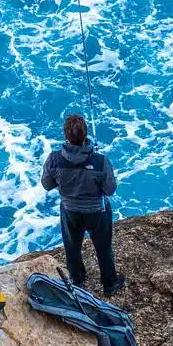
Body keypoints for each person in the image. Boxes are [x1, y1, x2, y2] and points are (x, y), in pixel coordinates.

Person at [41, 114, 126, 297]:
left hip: (70, 210)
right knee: (103, 247)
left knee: (72, 246)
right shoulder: (100, 161)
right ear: (85, 134)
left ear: (66, 136)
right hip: (97, 211)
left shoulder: (53, 159)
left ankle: (77, 281)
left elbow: (47, 184)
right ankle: (109, 284)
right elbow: (110, 189)